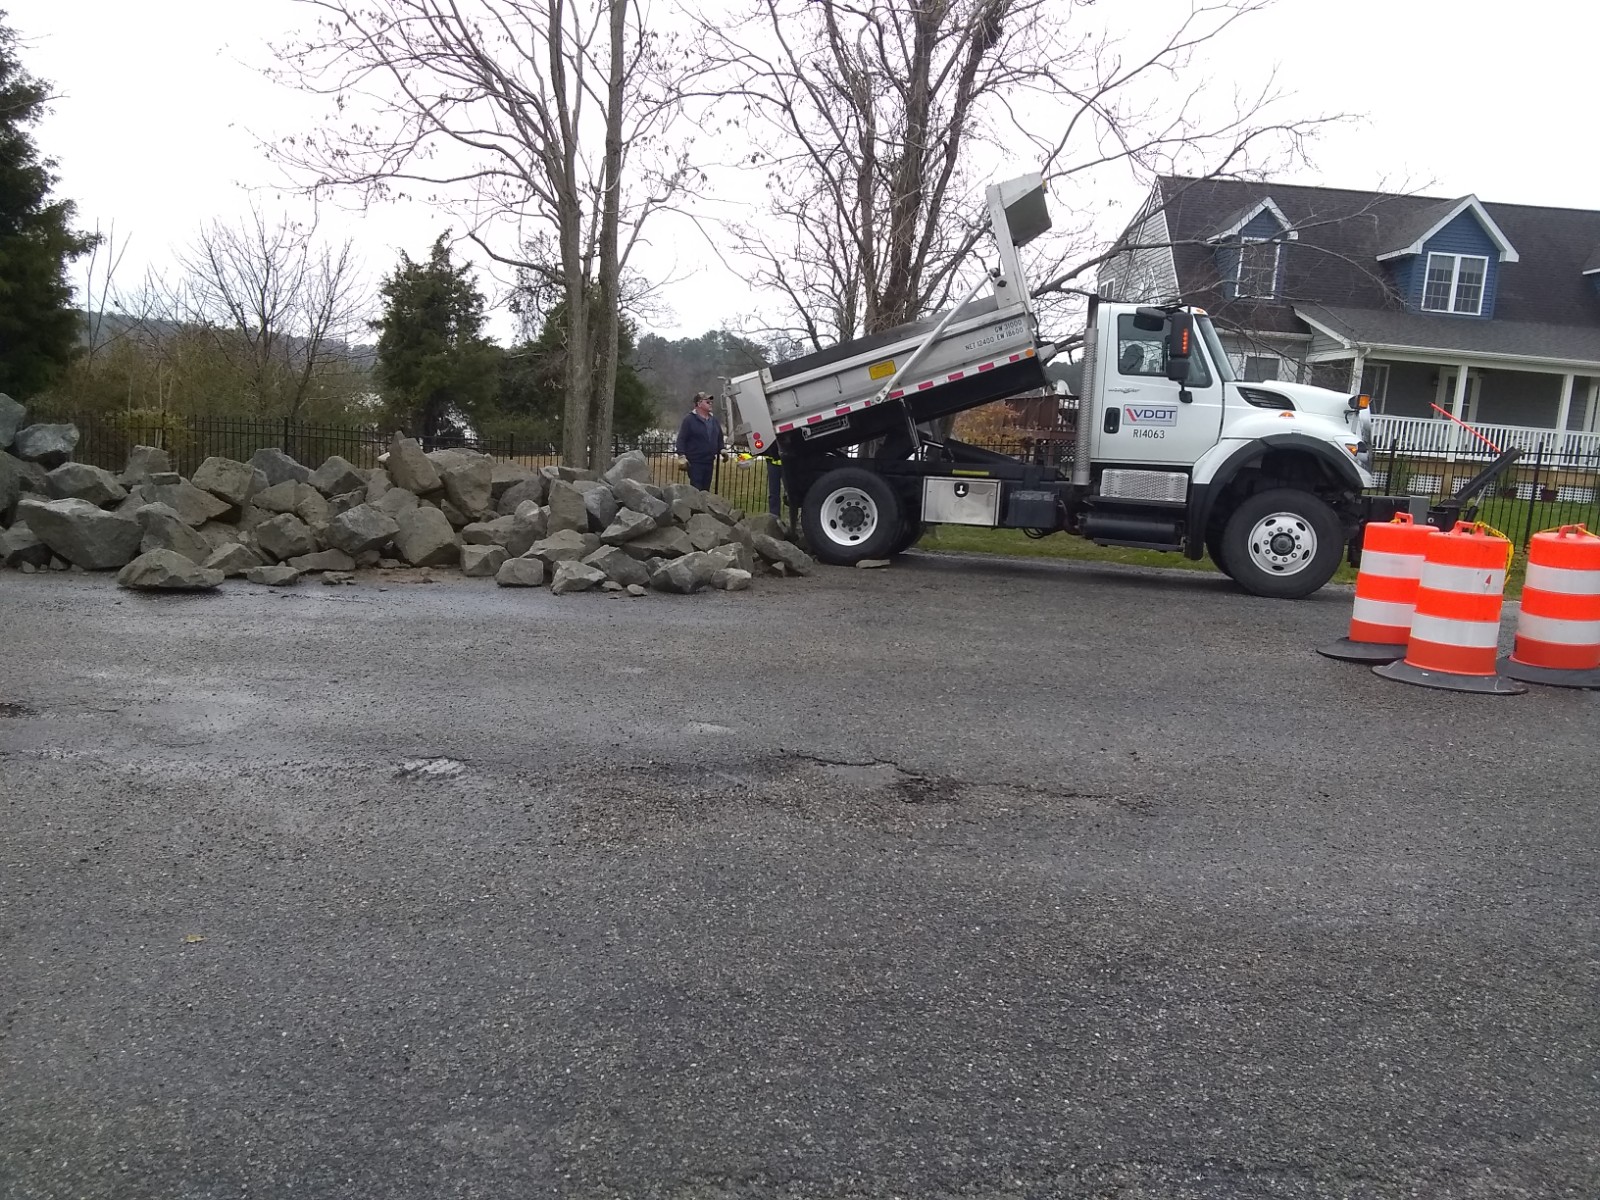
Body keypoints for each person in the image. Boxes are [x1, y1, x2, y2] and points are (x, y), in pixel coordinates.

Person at [675, 391, 723, 491]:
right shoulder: (689, 420)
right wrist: (681, 456)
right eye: (707, 402)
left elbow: (719, 437)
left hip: (709, 460)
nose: (711, 404)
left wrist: (722, 449)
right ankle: (695, 506)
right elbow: (681, 439)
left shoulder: (713, 420)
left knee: (706, 490)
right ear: (699, 404)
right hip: (695, 461)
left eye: (711, 402)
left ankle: (704, 506)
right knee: (696, 489)